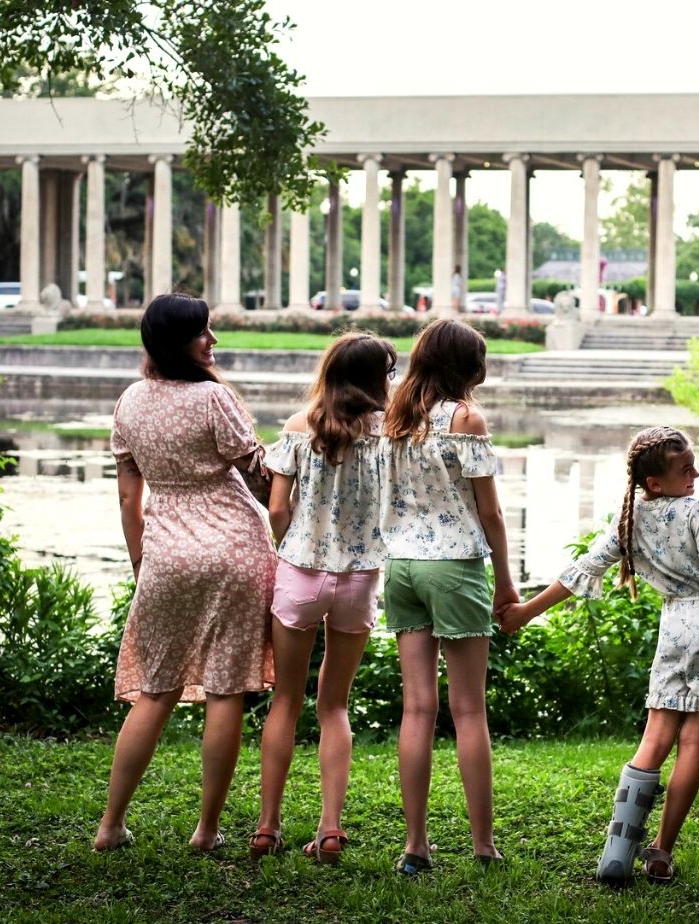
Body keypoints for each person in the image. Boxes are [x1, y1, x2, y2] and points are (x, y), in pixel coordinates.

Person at [501, 426, 699, 884]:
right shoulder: (695, 512)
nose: (696, 474)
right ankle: (662, 852)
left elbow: (584, 568)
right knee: (693, 745)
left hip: (673, 630)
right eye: (686, 469)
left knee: (654, 739)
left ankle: (617, 852)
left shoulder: (630, 519)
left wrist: (527, 612)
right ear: (655, 481)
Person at [95, 293, 278, 853]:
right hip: (233, 551)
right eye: (205, 332)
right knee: (226, 691)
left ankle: (110, 826)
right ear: (180, 342)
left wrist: (140, 562)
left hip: (166, 554)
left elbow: (129, 498)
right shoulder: (212, 398)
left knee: (155, 691)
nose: (213, 341)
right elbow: (260, 479)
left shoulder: (129, 402)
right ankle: (206, 831)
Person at [251, 332, 397, 863]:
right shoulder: (389, 436)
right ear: (375, 379)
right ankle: (330, 830)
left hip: (301, 572)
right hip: (360, 578)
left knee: (285, 701)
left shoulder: (298, 428)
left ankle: (267, 829)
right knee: (334, 704)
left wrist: (289, 545)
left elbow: (276, 509)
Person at [381, 318, 518, 875]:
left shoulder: (395, 414)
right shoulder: (466, 418)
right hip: (454, 566)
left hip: (403, 567)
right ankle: (482, 844)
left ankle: (415, 847)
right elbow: (491, 513)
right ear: (467, 365)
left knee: (417, 709)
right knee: (468, 711)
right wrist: (506, 581)